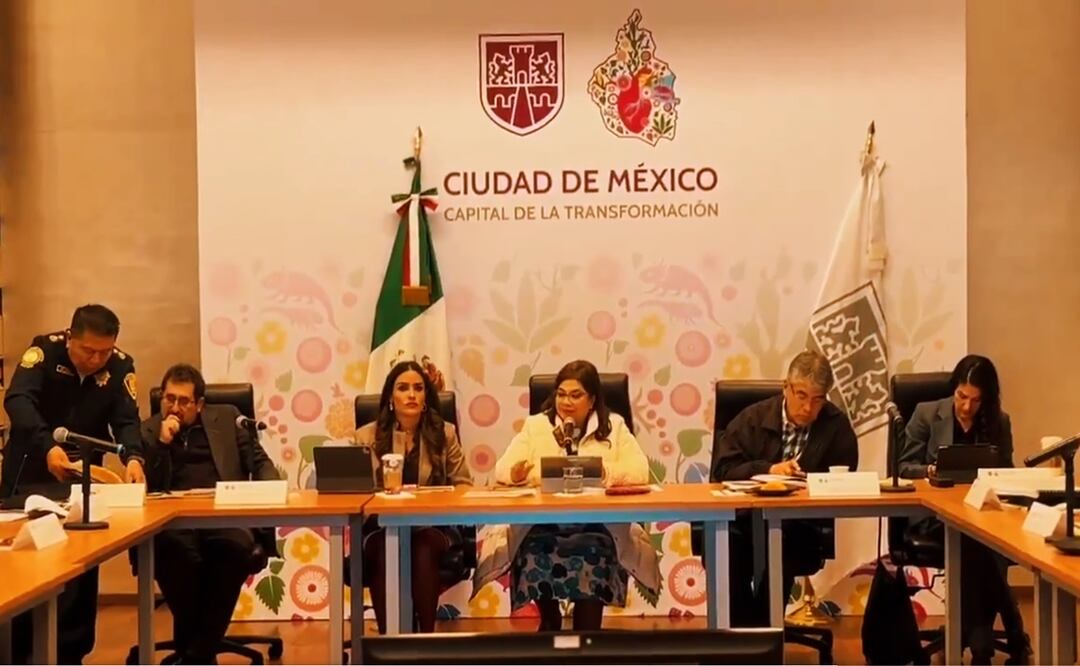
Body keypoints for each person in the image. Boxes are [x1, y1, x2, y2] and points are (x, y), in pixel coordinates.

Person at [2, 304, 145, 664]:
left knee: (80, 569)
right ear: (70, 338)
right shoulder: (44, 351)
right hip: (30, 473)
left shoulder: (120, 365)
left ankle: (69, 654)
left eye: (105, 351)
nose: (96, 359)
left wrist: (134, 458)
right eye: (88, 351)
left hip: (82, 483)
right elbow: (17, 400)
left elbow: (126, 420)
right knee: (27, 567)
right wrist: (47, 444)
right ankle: (21, 654)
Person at [474, 360, 660, 631]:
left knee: (593, 550)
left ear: (592, 399)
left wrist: (600, 470)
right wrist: (518, 474)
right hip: (542, 525)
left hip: (599, 526)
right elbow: (503, 469)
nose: (566, 402)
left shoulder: (614, 426)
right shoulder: (536, 426)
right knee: (534, 547)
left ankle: (587, 637)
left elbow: (639, 470)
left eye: (576, 395)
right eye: (561, 394)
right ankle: (550, 624)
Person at [140, 364, 280, 664]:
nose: (174, 408)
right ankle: (201, 654)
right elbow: (147, 485)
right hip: (174, 525)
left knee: (233, 551)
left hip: (225, 519)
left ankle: (194, 655)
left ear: (200, 404)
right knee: (177, 556)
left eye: (183, 401)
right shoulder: (150, 429)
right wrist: (163, 444)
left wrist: (271, 492)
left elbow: (260, 461)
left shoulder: (227, 420)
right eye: (169, 399)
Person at [897, 354, 1029, 664]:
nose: (967, 407)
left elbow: (1006, 472)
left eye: (976, 401)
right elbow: (903, 467)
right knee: (977, 545)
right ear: (953, 389)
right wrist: (928, 471)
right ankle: (1005, 636)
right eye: (961, 396)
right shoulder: (927, 414)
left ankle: (975, 638)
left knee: (981, 542)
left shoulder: (999, 421)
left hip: (984, 516)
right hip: (936, 517)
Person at [712, 350, 858, 626]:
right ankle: (743, 640)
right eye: (801, 395)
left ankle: (759, 641)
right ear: (786, 388)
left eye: (817, 400)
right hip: (743, 522)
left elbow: (845, 479)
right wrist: (767, 469)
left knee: (782, 547)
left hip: (800, 527)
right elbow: (722, 471)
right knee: (726, 549)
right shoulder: (752, 418)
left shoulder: (835, 426)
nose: (807, 407)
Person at [357, 360, 472, 634]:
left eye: (418, 388)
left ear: (425, 398)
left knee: (422, 546)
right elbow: (357, 490)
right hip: (382, 527)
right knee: (387, 546)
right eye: (403, 388)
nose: (411, 394)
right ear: (390, 398)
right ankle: (390, 642)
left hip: (433, 527)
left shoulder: (444, 433)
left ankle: (424, 641)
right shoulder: (366, 436)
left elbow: (465, 484)